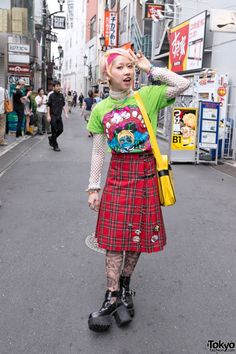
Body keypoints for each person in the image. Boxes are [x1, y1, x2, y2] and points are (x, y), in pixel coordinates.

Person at [86, 48, 190, 332]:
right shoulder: (101, 109)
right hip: (118, 174)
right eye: (120, 67)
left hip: (145, 174)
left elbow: (182, 83)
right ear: (107, 74)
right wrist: (93, 187)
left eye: (130, 67)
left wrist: (149, 67)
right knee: (113, 239)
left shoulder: (147, 96)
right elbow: (98, 152)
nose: (128, 72)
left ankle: (126, 285)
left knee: (137, 236)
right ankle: (112, 294)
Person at [47, 80, 68, 152]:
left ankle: (51, 139)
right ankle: (55, 146)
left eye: (59, 86)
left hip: (59, 116)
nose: (58, 87)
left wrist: (65, 113)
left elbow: (63, 105)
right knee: (54, 131)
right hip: (52, 116)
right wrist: (48, 115)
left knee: (61, 130)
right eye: (57, 86)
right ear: (53, 87)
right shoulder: (51, 95)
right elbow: (48, 106)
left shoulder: (61, 95)